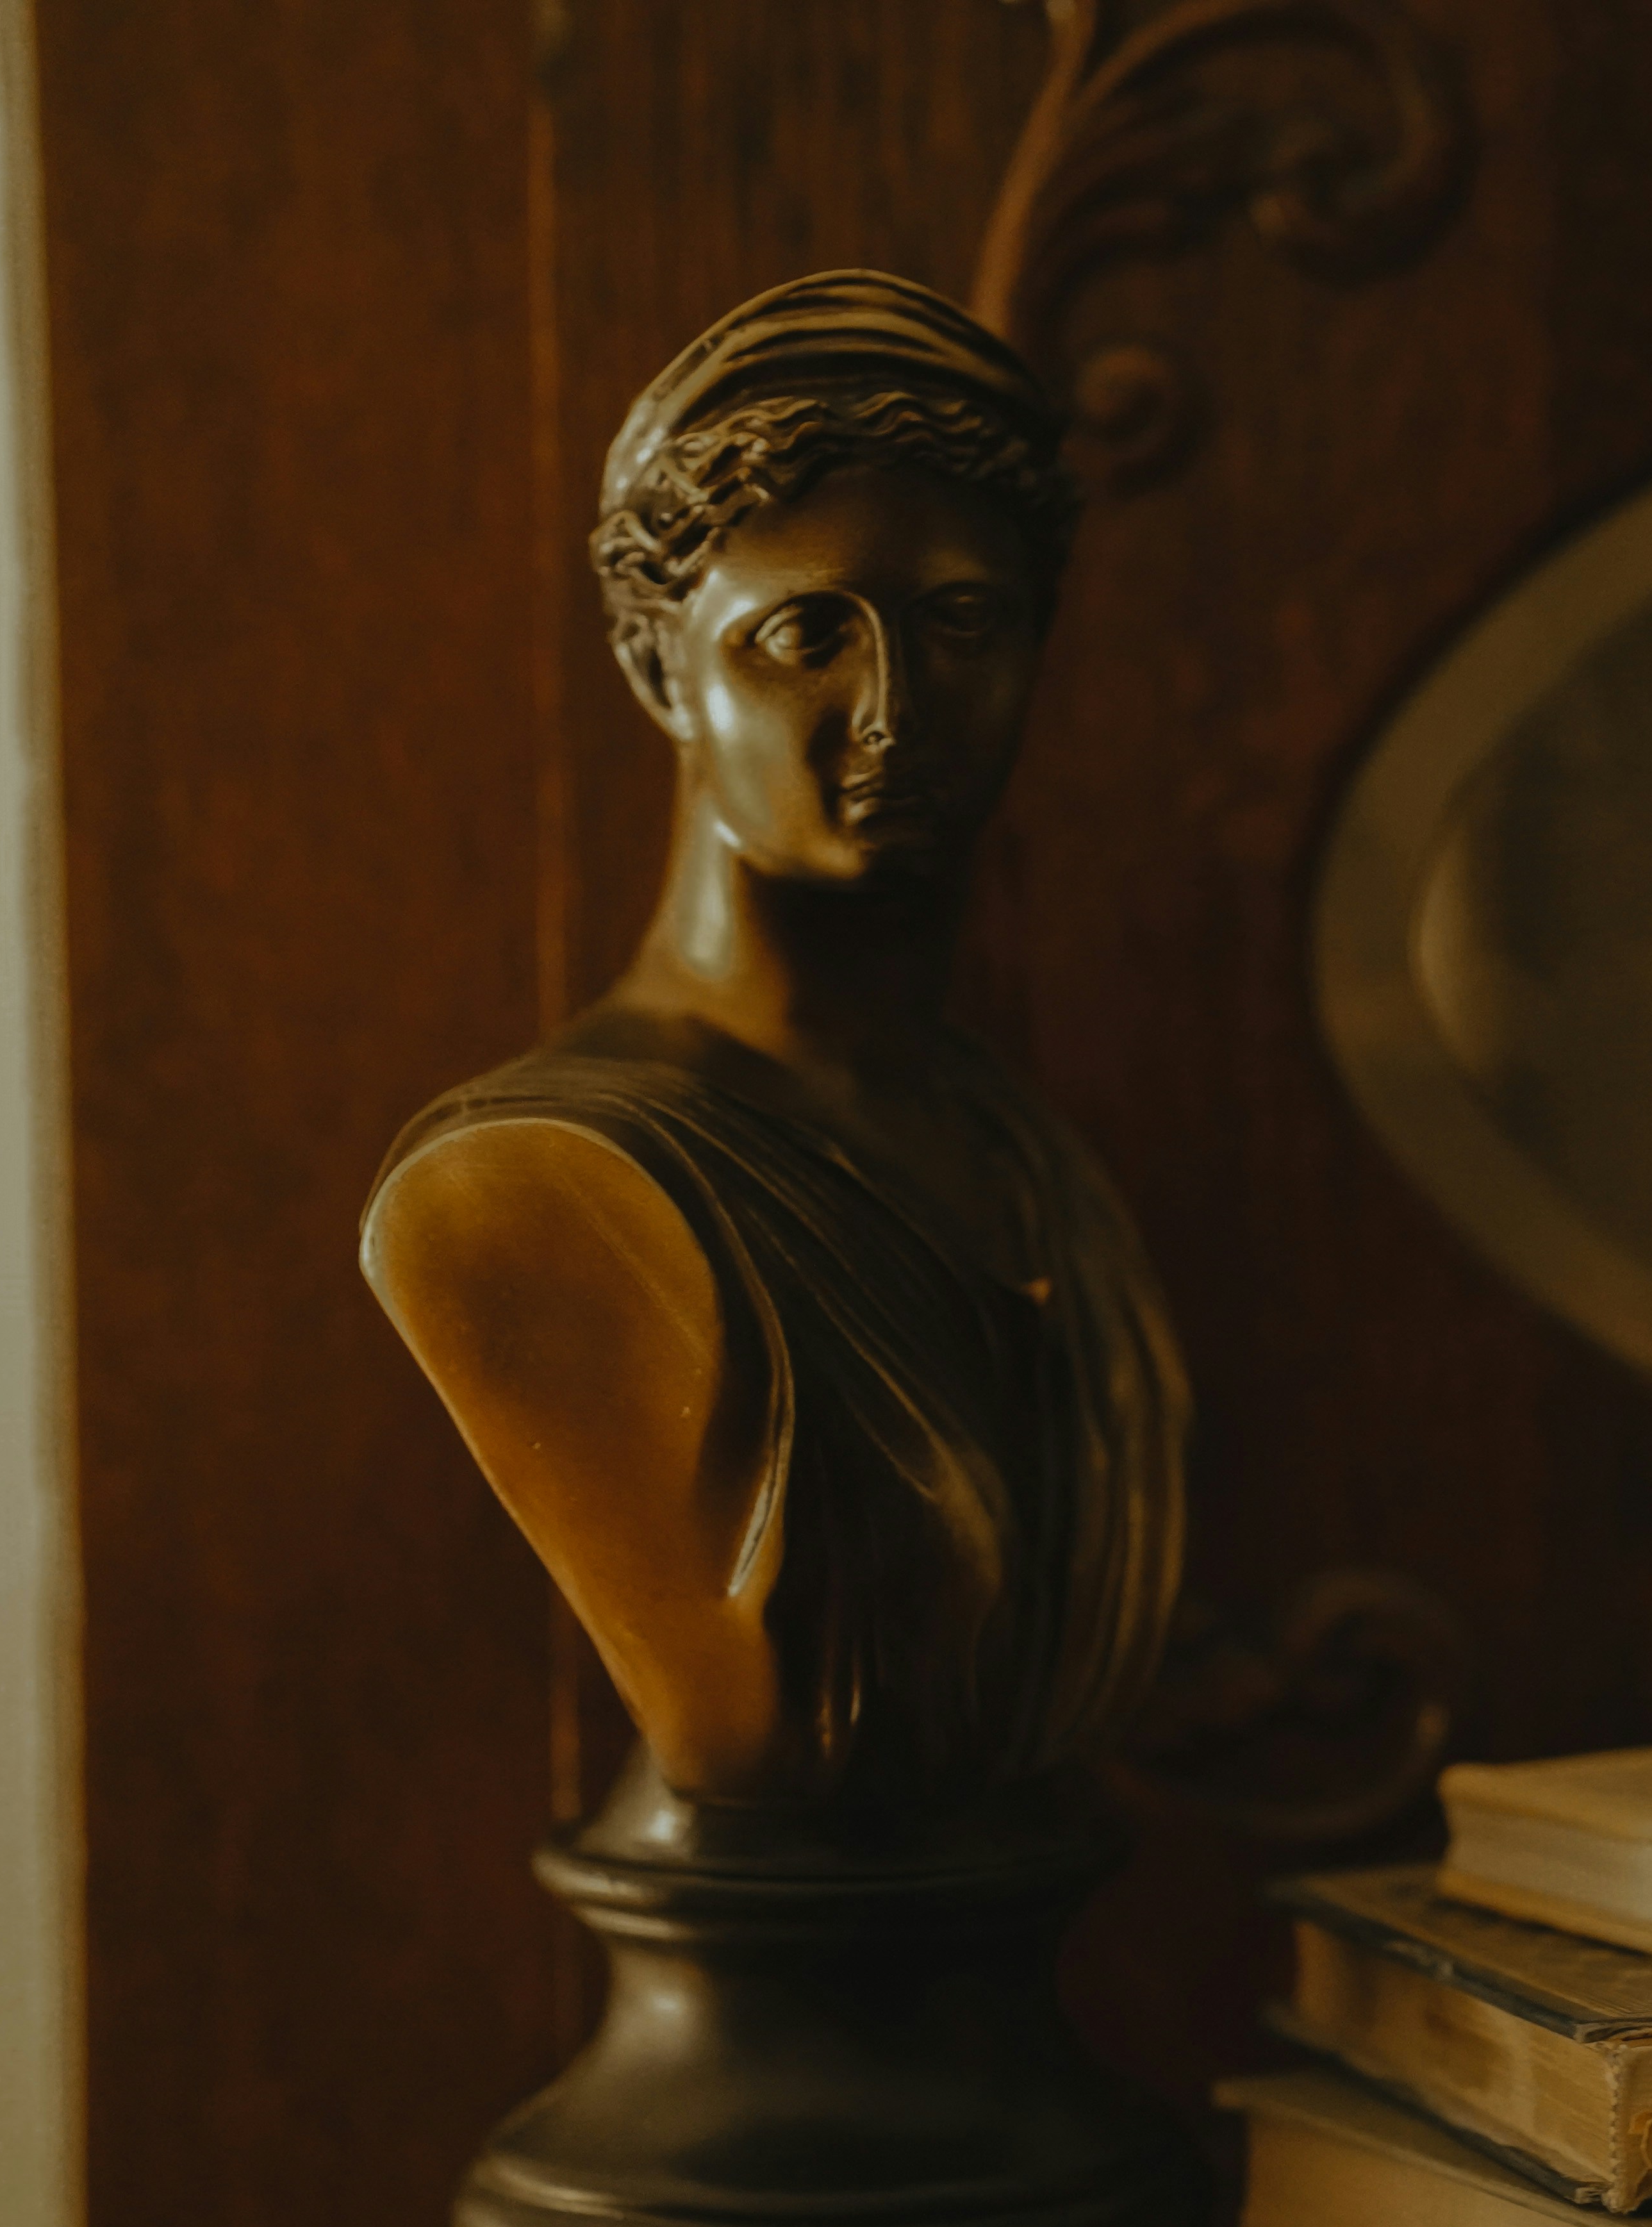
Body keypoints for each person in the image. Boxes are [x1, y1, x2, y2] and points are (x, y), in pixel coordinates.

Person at [363, 270, 1185, 1821]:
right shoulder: (529, 1186)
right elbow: (759, 1728)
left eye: (962, 622)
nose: (893, 712)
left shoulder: (1019, 1154)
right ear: (657, 669)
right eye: (806, 633)